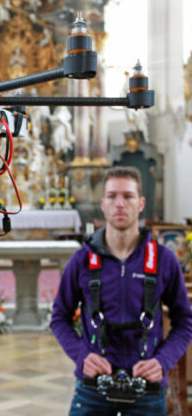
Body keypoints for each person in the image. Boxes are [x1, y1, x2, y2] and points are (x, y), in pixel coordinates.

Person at [50, 166, 192, 415]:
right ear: (103, 204)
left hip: (147, 390)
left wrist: (162, 361)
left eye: (128, 196)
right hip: (93, 388)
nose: (119, 204)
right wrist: (82, 356)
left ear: (141, 203)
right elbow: (59, 318)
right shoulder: (82, 260)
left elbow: (185, 321)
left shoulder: (163, 260)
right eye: (112, 196)